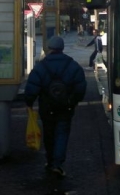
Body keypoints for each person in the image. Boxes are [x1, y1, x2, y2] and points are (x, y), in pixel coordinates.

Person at [24, 35, 87, 176]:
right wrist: (73, 101)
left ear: (50, 48)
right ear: (62, 48)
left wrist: (29, 102)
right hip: (66, 108)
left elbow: (32, 87)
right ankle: (57, 164)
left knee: (49, 134)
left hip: (47, 108)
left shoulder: (41, 66)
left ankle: (50, 160)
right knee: (62, 134)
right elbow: (81, 87)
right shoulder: (72, 65)